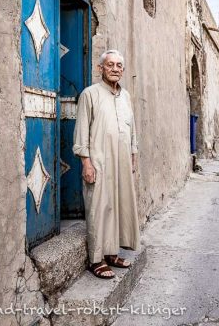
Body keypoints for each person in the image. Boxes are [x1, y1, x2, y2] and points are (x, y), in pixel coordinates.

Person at [73, 49, 140, 279]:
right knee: (98, 208)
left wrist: (133, 155)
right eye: (110, 65)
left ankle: (112, 252)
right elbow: (81, 130)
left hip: (121, 161)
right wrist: (86, 163)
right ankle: (96, 259)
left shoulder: (126, 96)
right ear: (100, 68)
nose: (115, 69)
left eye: (119, 65)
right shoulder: (89, 94)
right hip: (99, 160)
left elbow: (132, 130)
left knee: (119, 205)